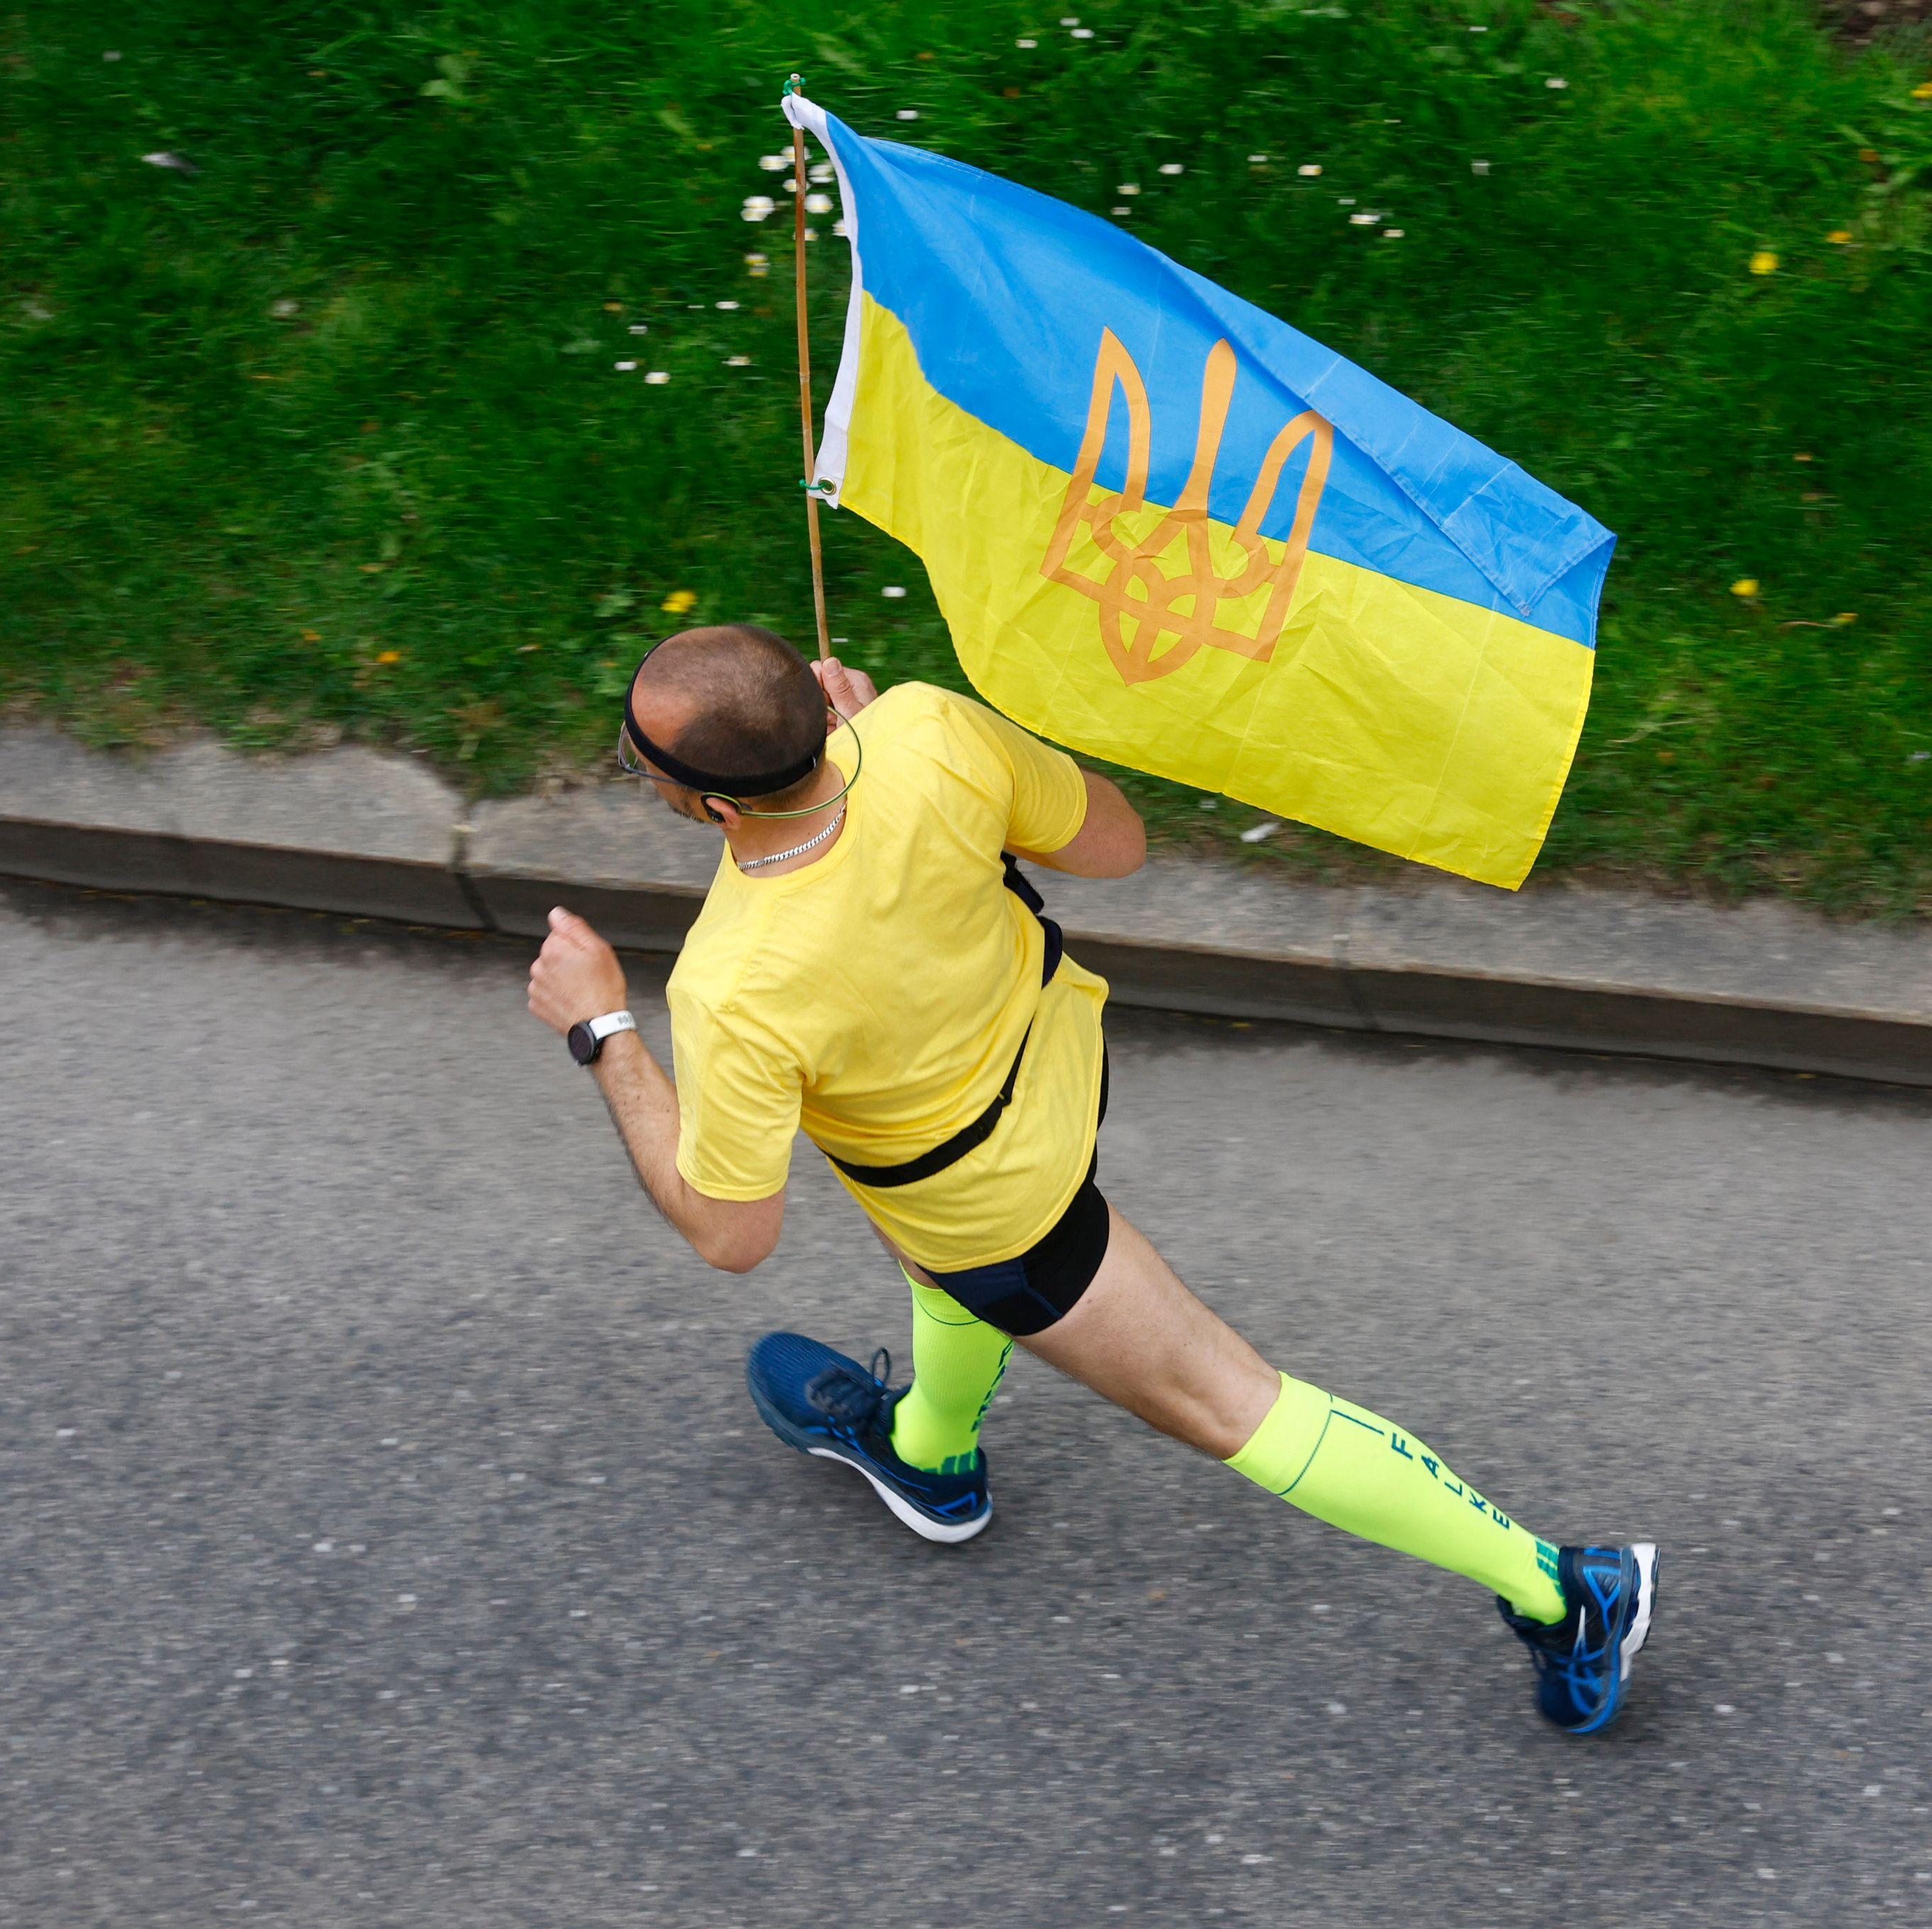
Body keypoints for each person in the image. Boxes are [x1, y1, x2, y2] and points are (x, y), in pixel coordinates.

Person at [524, 623, 1655, 1732]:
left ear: (717, 807)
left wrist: (603, 1027)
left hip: (996, 1209)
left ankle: (1566, 1592)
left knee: (1232, 1406)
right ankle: (930, 1461)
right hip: (1055, 1068)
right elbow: (1115, 844)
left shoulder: (731, 986)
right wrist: (890, 757)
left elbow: (733, 1234)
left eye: (639, 762)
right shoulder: (924, 729)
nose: (638, 772)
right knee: (928, 1253)